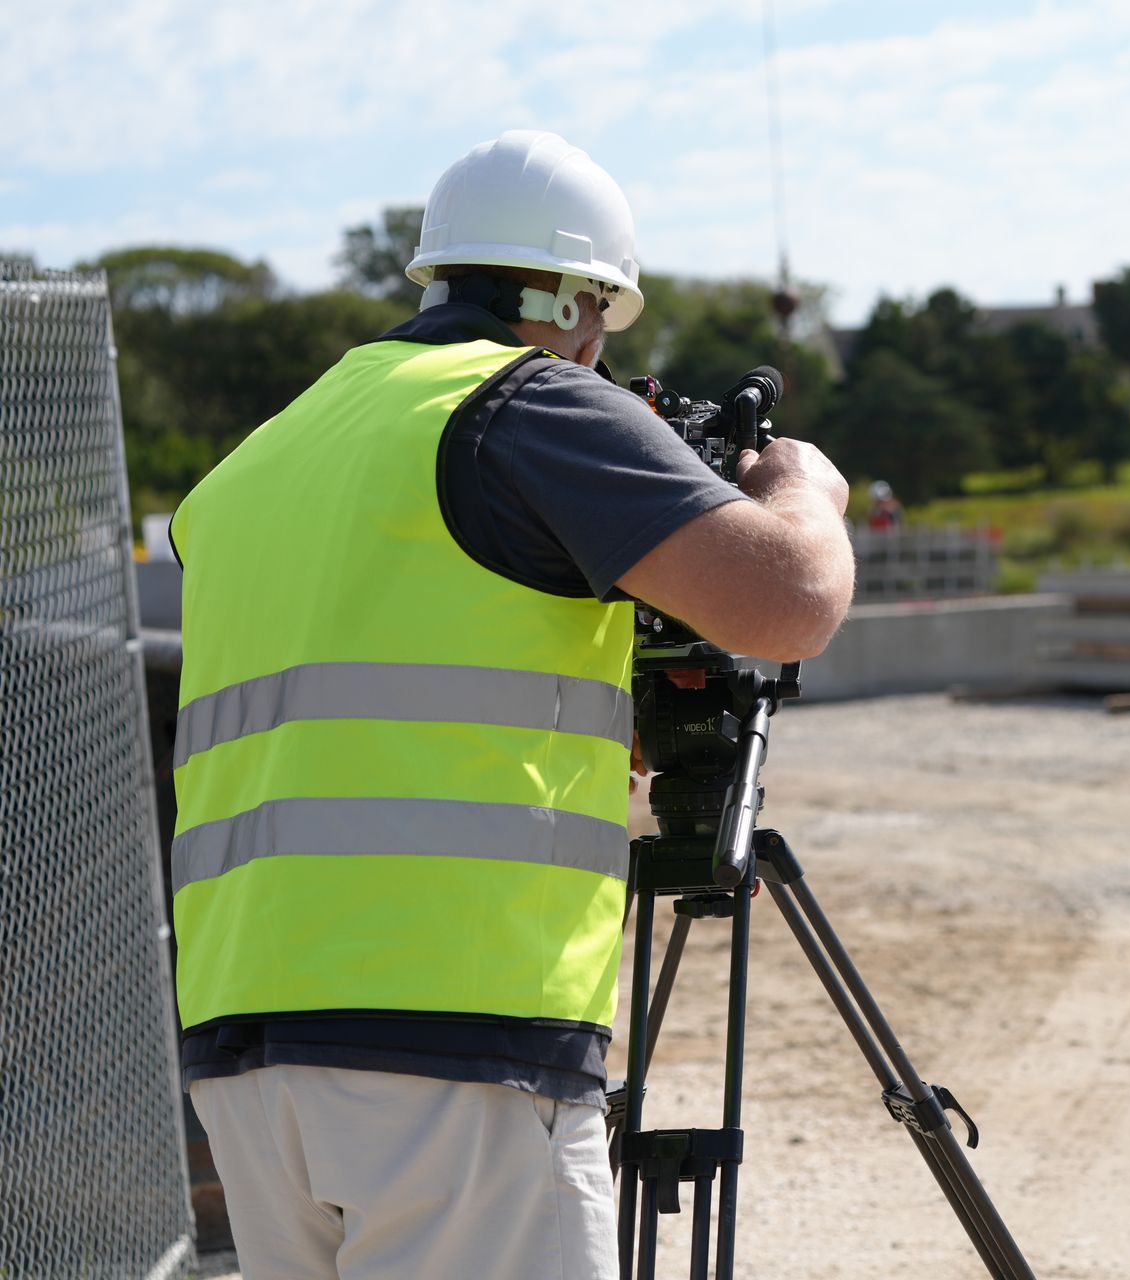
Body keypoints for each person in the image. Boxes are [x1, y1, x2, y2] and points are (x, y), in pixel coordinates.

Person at [168, 131, 853, 1279]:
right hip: (452, 1038)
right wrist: (803, 490)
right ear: (583, 303)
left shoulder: (260, 460)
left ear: (437, 276)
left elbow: (391, 677)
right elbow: (784, 604)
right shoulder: (525, 405)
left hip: (248, 1046)